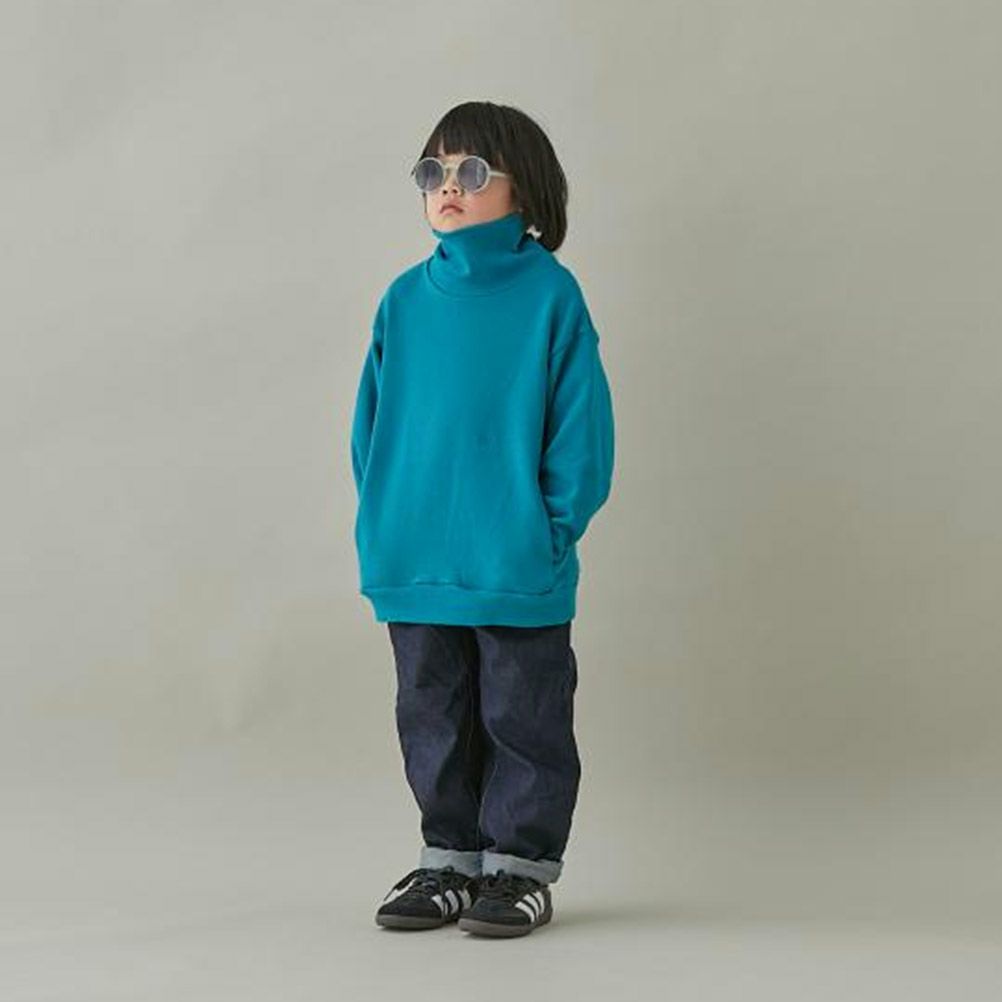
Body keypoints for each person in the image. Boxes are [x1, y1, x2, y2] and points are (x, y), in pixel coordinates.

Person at [350, 101, 615, 937]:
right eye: (432, 172)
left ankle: (521, 868)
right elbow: (371, 427)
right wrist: (383, 522)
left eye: (470, 171)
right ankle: (450, 860)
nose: (448, 187)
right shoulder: (404, 300)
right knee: (430, 715)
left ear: (522, 187)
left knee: (524, 718)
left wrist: (549, 531)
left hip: (515, 558)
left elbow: (581, 431)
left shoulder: (550, 297)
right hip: (415, 557)